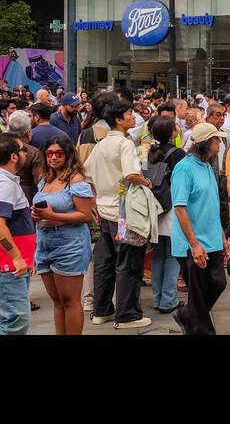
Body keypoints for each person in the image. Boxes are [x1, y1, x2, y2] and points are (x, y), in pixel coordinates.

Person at [85, 97, 152, 329]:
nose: (133, 117)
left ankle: (101, 310)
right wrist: (147, 183)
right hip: (123, 214)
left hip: (104, 212)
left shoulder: (101, 144)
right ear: (118, 119)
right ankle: (127, 314)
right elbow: (131, 174)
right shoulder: (124, 144)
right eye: (129, 114)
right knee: (129, 263)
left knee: (105, 263)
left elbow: (86, 175)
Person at [31, 136, 94, 335]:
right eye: (50, 153)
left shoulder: (75, 179)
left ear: (68, 155)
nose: (54, 157)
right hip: (44, 243)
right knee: (57, 301)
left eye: (59, 153)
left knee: (70, 300)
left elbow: (86, 215)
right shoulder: (44, 179)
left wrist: (53, 215)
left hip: (70, 245)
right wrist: (37, 214)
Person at [171, 123, 228, 335]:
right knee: (198, 290)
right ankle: (201, 328)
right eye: (216, 140)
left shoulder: (207, 167)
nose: (220, 144)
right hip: (192, 242)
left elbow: (211, 206)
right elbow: (180, 208)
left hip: (212, 238)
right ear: (206, 143)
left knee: (218, 283)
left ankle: (189, 315)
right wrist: (194, 244)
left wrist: (223, 238)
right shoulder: (184, 168)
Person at [0, 134, 37, 335]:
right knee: (15, 320)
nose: (26, 153)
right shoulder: (2, 184)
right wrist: (17, 257)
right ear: (14, 157)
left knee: (7, 319)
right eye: (23, 150)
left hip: (3, 267)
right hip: (4, 267)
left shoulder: (2, 181)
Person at [144, 116, 186, 315]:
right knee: (172, 255)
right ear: (172, 133)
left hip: (154, 208)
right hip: (172, 208)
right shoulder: (178, 153)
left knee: (158, 255)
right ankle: (168, 299)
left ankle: (158, 297)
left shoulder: (150, 152)